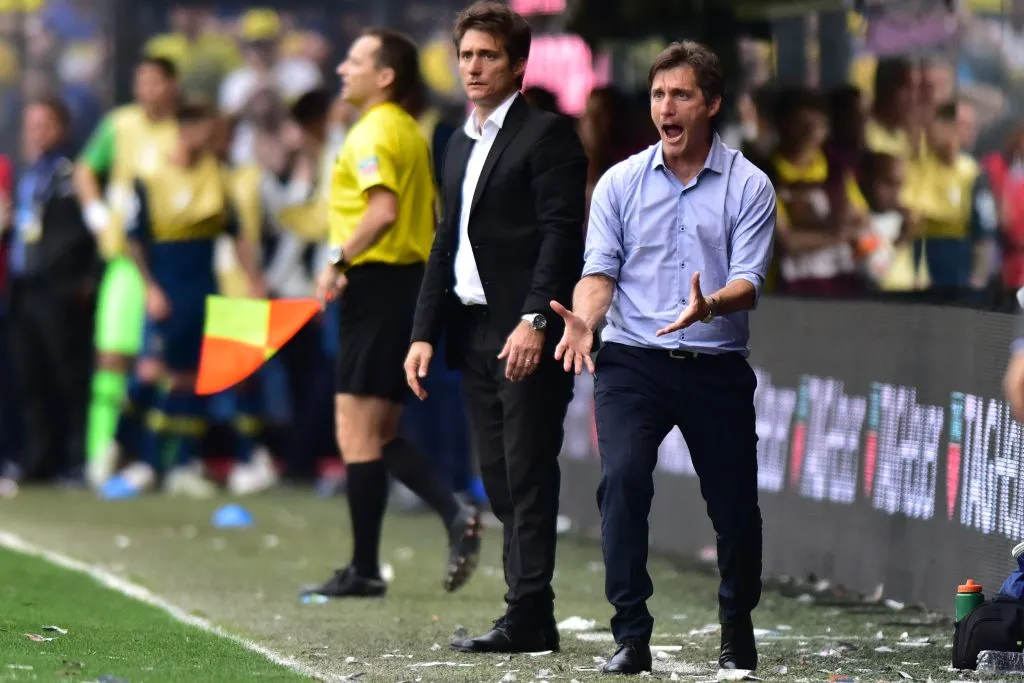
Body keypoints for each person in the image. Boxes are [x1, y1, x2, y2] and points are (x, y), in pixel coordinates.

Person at [550, 41, 776, 674]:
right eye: (657, 95)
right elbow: (598, 274)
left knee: (734, 508)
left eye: (680, 95)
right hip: (633, 362)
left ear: (711, 104)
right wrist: (585, 322)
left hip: (715, 363)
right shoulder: (620, 183)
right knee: (621, 481)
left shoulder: (749, 185)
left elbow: (749, 282)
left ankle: (736, 619)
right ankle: (631, 633)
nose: (665, 108)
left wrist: (709, 307)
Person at [405, 0, 588, 654]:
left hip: (525, 331)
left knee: (528, 470)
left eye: (487, 55)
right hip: (473, 331)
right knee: (502, 478)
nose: (473, 67)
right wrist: (424, 331)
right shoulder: (456, 142)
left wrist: (537, 318)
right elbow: (444, 239)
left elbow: (562, 237)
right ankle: (531, 612)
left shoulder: (548, 135)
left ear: (515, 64)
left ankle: (527, 611)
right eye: (466, 56)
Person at [308, 28, 481, 599]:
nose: (341, 69)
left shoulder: (373, 131)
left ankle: (363, 568)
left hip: (377, 285)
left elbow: (381, 209)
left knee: (355, 431)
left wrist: (338, 258)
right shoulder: (409, 129)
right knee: (378, 432)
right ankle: (451, 511)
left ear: (385, 75)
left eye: (354, 60)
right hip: (406, 285)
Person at [122, 102, 265, 495]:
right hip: (166, 284)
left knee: (190, 378)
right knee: (151, 374)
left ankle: (179, 463)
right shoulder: (150, 175)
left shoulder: (217, 175)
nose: (213, 136)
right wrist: (150, 287)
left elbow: (236, 232)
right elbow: (135, 239)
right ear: (186, 128)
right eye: (206, 128)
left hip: (202, 284)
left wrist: (254, 279)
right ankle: (134, 456)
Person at [73, 56, 181, 489]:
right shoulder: (119, 124)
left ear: (171, 85)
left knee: (166, 363)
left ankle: (163, 459)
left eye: (153, 81)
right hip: (124, 262)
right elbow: (85, 169)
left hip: (169, 261)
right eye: (140, 81)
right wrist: (95, 211)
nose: (144, 89)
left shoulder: (183, 129)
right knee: (112, 358)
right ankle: (101, 453)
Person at [7, 97, 102, 486]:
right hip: (23, 288)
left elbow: (96, 232)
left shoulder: (74, 174)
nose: (36, 132)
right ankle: (38, 461)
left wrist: (87, 280)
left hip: (60, 290)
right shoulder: (27, 175)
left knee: (68, 377)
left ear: (62, 127)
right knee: (30, 378)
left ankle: (75, 459)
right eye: (31, 124)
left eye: (45, 124)